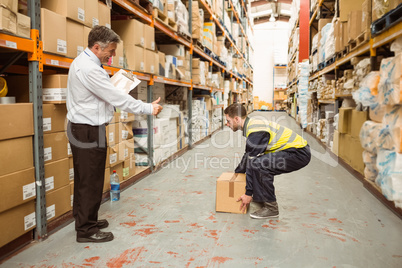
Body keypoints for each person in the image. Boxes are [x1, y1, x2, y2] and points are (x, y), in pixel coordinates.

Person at [66, 26, 163, 243]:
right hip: (87, 130)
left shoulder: (85, 62)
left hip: (85, 128)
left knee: (85, 177)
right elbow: (116, 98)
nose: (113, 54)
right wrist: (148, 108)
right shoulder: (90, 69)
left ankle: (84, 218)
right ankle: (86, 230)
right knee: (91, 179)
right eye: (110, 50)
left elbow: (104, 95)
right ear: (97, 47)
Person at [224, 103, 311, 219]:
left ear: (237, 119)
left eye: (228, 121)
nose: (226, 124)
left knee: (259, 164)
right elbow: (248, 154)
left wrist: (248, 193)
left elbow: (251, 161)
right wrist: (237, 173)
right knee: (257, 162)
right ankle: (262, 198)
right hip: (294, 150)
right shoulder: (252, 125)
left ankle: (271, 208)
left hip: (298, 153)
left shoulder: (255, 131)